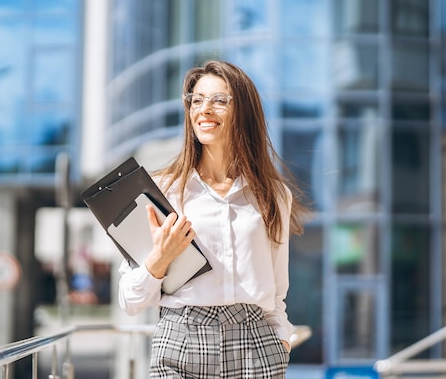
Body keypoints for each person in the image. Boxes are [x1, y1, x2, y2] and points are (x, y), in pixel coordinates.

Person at [117, 59, 308, 378]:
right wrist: (158, 260)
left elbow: (276, 294)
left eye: (219, 100)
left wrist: (280, 345)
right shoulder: (163, 191)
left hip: (253, 346)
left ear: (244, 112)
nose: (204, 109)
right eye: (197, 100)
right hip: (180, 341)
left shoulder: (273, 194)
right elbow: (130, 300)